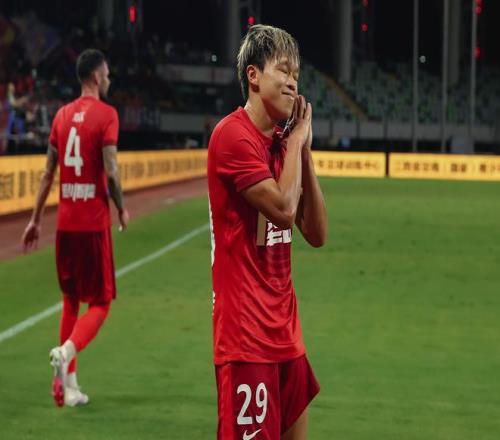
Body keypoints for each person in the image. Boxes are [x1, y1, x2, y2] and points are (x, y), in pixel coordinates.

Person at [207, 25, 328, 439]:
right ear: (254, 75)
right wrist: (295, 143)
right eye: (283, 70)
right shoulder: (232, 135)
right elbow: (283, 210)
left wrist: (303, 151)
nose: (293, 82)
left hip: (286, 333)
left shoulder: (283, 144)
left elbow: (317, 233)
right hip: (246, 338)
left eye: (296, 74)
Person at [21, 48, 129, 407]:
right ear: (96, 77)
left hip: (65, 225)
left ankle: (65, 388)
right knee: (100, 303)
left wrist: (35, 219)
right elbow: (111, 171)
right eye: (107, 74)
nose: (109, 78)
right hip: (92, 224)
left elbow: (47, 173)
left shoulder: (61, 116)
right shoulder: (107, 115)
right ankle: (66, 352)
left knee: (70, 300)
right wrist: (121, 208)